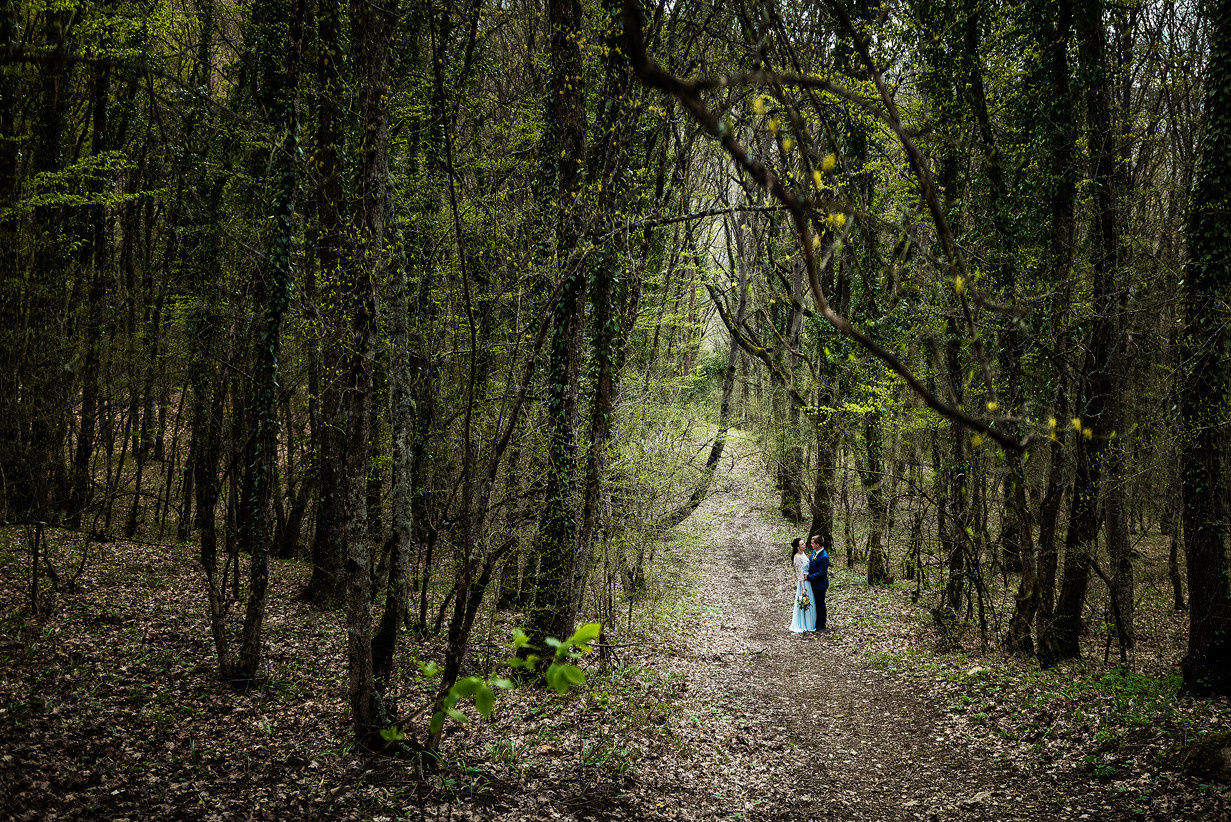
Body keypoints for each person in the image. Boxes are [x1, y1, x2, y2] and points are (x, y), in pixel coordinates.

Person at [789, 537, 816, 633]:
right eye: (802, 544)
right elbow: (799, 574)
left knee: (810, 601)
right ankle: (803, 623)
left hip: (809, 579)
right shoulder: (797, 558)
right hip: (803, 582)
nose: (804, 545)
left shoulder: (804, 554)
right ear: (797, 547)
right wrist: (803, 588)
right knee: (804, 601)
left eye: (804, 543)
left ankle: (810, 623)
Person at [805, 534, 831, 631]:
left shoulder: (823, 557)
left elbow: (821, 573)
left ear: (818, 544)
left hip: (820, 585)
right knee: (814, 603)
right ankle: (815, 621)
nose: (811, 545)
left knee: (820, 604)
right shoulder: (814, 553)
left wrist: (809, 577)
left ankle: (822, 624)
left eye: (812, 543)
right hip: (813, 584)